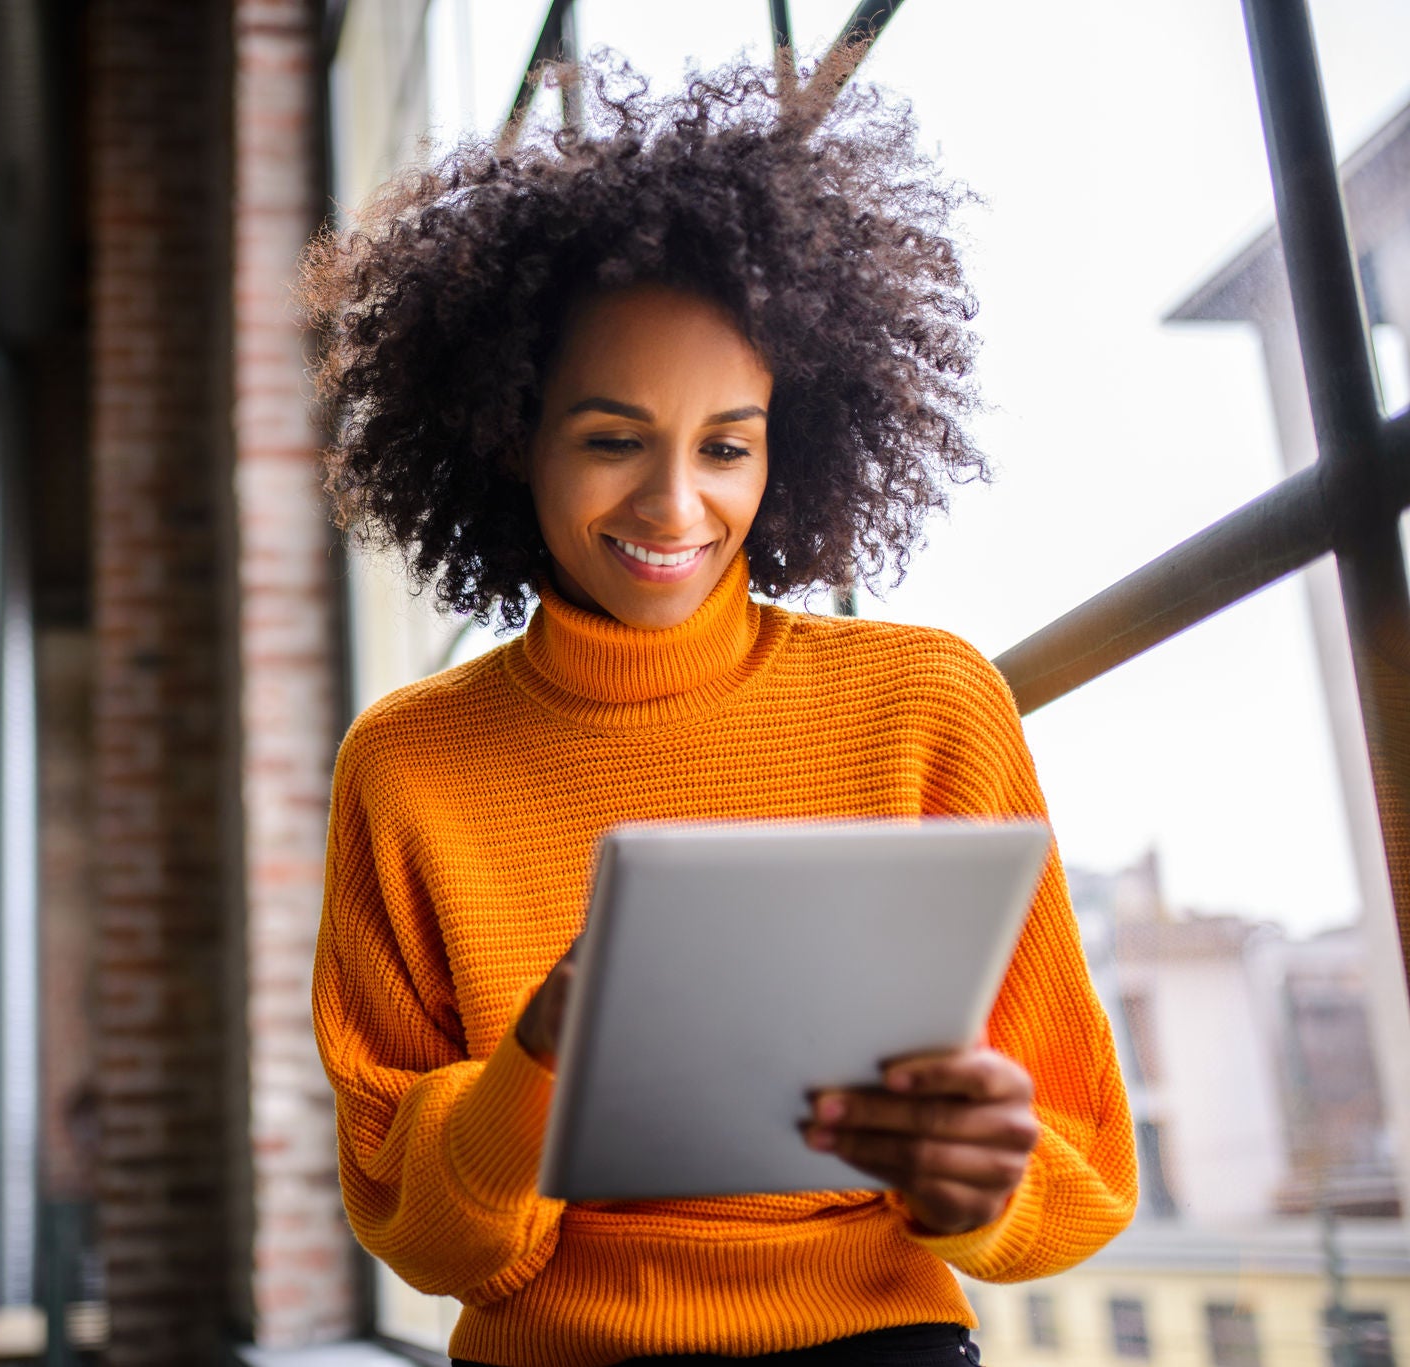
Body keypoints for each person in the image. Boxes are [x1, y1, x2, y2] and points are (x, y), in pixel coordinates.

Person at [302, 58, 1137, 1367]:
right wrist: (537, 1063)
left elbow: (1078, 1175)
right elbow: (420, 1232)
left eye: (727, 445)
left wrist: (984, 1181)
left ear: (786, 447)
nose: (675, 509)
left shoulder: (926, 704)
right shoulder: (408, 765)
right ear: (509, 435)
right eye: (611, 438)